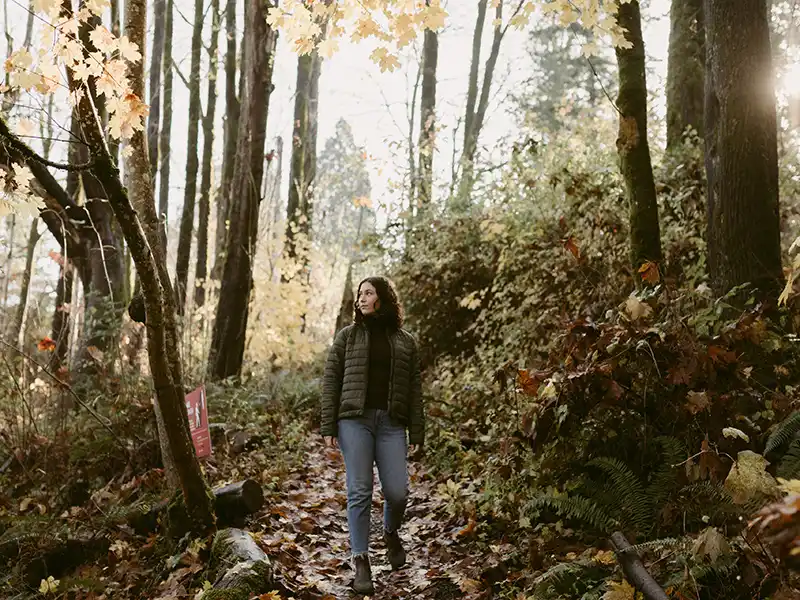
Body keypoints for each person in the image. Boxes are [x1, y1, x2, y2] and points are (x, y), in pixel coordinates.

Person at [321, 276, 425, 595]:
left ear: (383, 298)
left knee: (397, 493)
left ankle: (390, 532)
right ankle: (361, 559)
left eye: (368, 293)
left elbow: (414, 390)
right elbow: (330, 380)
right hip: (355, 421)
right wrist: (327, 426)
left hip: (392, 424)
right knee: (360, 489)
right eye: (359, 294)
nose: (361, 299)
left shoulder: (406, 342)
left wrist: (418, 429)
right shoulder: (347, 337)